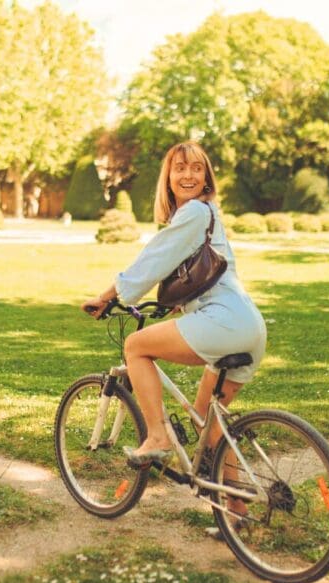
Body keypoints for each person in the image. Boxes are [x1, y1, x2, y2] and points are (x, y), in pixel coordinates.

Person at [80, 141, 267, 477]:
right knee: (206, 420)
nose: (188, 175)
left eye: (197, 168)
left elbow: (153, 260)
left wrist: (109, 296)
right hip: (249, 326)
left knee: (136, 347)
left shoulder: (195, 211)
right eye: (180, 168)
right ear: (168, 176)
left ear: (207, 178)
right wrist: (172, 304)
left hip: (223, 323)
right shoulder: (208, 216)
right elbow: (191, 272)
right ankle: (237, 510)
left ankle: (157, 436)